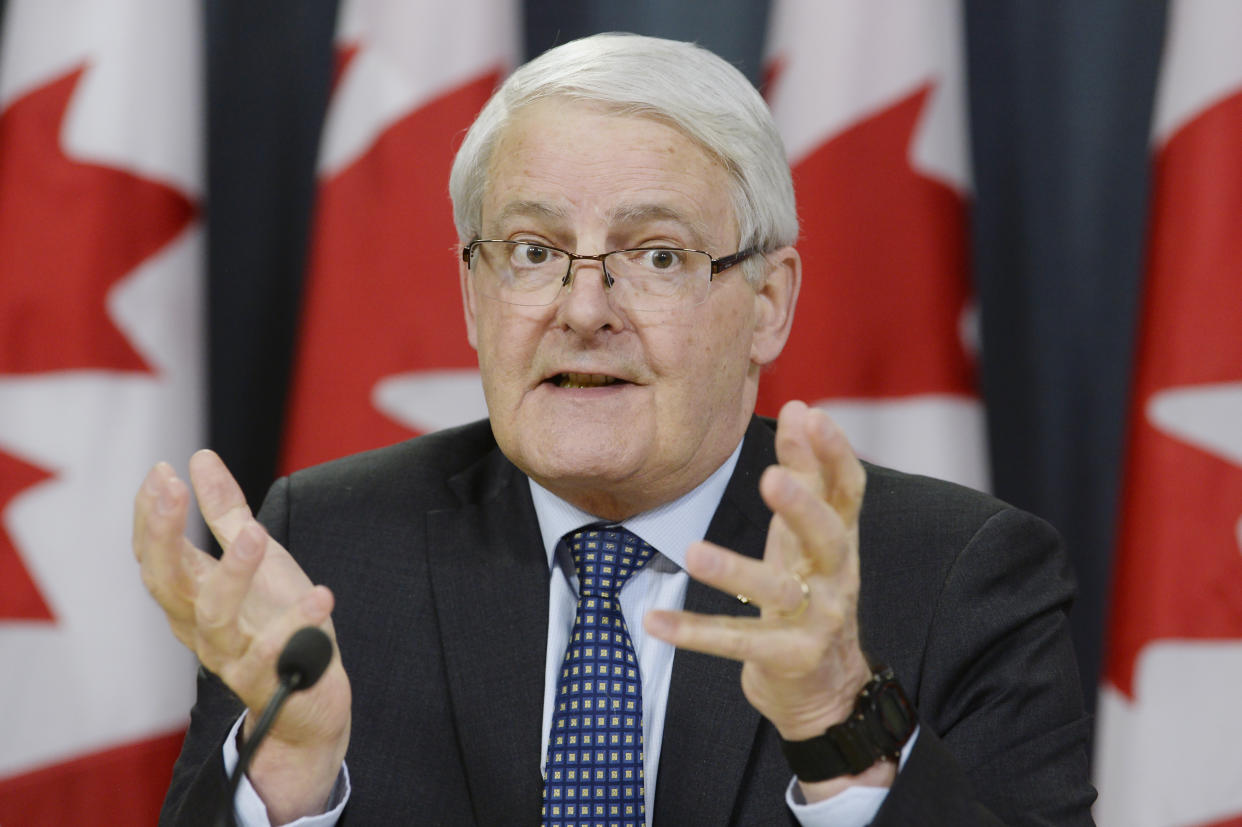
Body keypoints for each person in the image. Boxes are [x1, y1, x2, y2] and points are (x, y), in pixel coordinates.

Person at [133, 33, 1095, 826]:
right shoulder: (329, 553)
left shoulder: (956, 577)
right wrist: (292, 777)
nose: (583, 307)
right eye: (532, 250)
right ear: (474, 295)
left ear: (768, 301)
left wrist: (839, 730)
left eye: (658, 254)